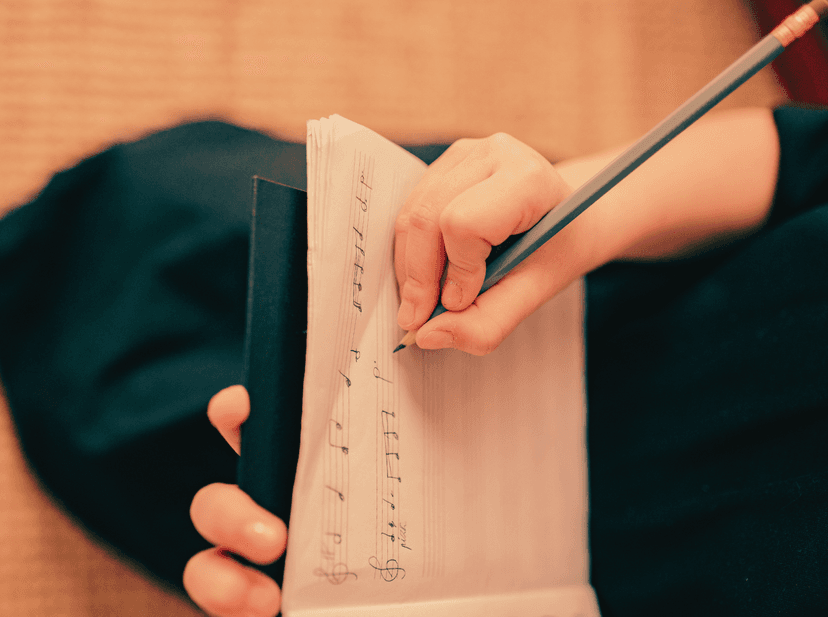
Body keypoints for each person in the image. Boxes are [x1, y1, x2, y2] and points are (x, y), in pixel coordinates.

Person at [1, 106, 826, 617]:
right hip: (563, 297)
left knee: (150, 430)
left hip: (453, 581)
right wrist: (574, 210)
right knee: (170, 219)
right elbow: (792, 159)